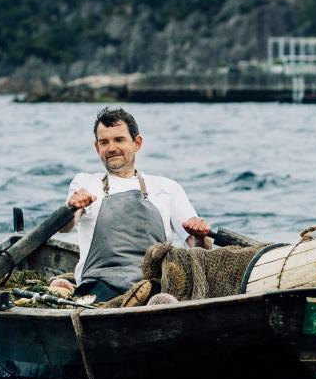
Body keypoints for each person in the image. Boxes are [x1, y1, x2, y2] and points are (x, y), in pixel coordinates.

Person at [51, 108, 212, 302]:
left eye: (119, 140)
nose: (111, 148)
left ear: (137, 143)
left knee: (163, 301)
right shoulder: (85, 183)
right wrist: (73, 207)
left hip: (155, 286)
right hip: (99, 286)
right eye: (104, 142)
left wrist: (199, 235)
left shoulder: (167, 188)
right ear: (97, 147)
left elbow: (200, 250)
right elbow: (65, 227)